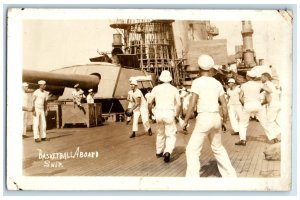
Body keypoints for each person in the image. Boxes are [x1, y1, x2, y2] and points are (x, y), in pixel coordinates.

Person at [182, 54, 236, 177]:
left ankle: (192, 181)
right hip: (216, 117)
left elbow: (192, 104)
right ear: (210, 68)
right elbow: (224, 104)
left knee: (192, 150)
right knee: (218, 148)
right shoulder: (217, 83)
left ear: (199, 68)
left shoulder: (197, 82)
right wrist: (224, 121)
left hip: (204, 118)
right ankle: (231, 176)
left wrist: (185, 121)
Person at [236, 70, 279, 146]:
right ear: (254, 77)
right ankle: (273, 138)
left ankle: (242, 140)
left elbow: (240, 98)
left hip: (248, 104)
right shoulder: (259, 84)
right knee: (265, 123)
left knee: (243, 123)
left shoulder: (243, 85)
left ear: (247, 77)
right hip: (258, 104)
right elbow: (270, 90)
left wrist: (244, 103)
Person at [148, 70, 181, 162]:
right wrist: (176, 115)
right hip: (169, 113)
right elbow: (179, 104)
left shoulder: (156, 88)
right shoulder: (174, 89)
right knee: (171, 134)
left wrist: (151, 114)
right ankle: (167, 151)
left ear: (161, 79)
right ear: (170, 79)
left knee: (160, 132)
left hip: (158, 113)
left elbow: (149, 103)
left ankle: (158, 151)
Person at [260, 72, 281, 139]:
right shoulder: (271, 84)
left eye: (262, 77)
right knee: (274, 120)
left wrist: (262, 103)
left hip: (273, 104)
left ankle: (280, 132)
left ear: (266, 77)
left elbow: (269, 94)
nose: (261, 79)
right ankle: (280, 133)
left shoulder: (267, 84)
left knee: (269, 121)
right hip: (277, 103)